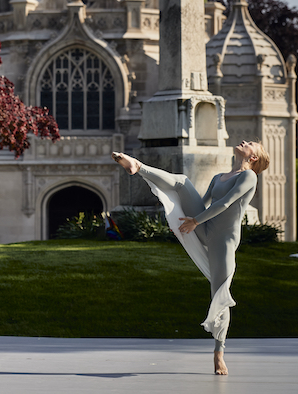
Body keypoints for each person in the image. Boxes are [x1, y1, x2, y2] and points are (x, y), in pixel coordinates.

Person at [112, 140, 269, 376]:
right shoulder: (219, 177)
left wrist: (195, 221)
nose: (244, 142)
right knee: (182, 182)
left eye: (250, 144)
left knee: (220, 292)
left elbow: (226, 204)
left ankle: (219, 352)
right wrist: (185, 216)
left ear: (253, 157)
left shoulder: (248, 178)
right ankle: (138, 166)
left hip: (223, 241)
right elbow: (204, 202)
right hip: (204, 227)